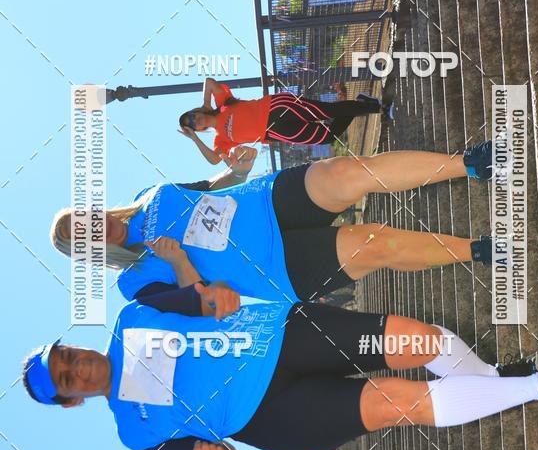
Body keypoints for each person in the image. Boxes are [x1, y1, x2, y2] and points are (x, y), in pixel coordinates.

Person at [22, 287, 538, 450]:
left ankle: (498, 380)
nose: (76, 366)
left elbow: (202, 297)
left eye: (66, 355)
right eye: (67, 377)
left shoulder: (132, 315)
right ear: (72, 401)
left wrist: (215, 296)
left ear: (72, 344)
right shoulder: (132, 432)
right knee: (402, 400)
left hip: (286, 335)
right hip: (277, 415)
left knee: (421, 340)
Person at [50, 142, 500, 308]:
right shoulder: (133, 285)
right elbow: (202, 309)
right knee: (372, 244)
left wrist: (237, 170)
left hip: (263, 201)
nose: (95, 226)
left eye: (86, 217)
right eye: (84, 236)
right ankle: (478, 250)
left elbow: (210, 185)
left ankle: (471, 163)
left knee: (348, 173)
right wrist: (181, 263)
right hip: (276, 268)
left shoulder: (148, 194)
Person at [178, 78, 386, 163]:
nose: (196, 120)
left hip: (276, 107)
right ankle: (361, 103)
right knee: (326, 136)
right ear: (198, 129)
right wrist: (194, 139)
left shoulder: (223, 104)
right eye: (193, 124)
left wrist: (206, 104)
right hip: (274, 132)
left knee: (327, 111)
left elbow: (209, 82)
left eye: (193, 115)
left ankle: (379, 108)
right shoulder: (220, 140)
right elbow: (215, 160)